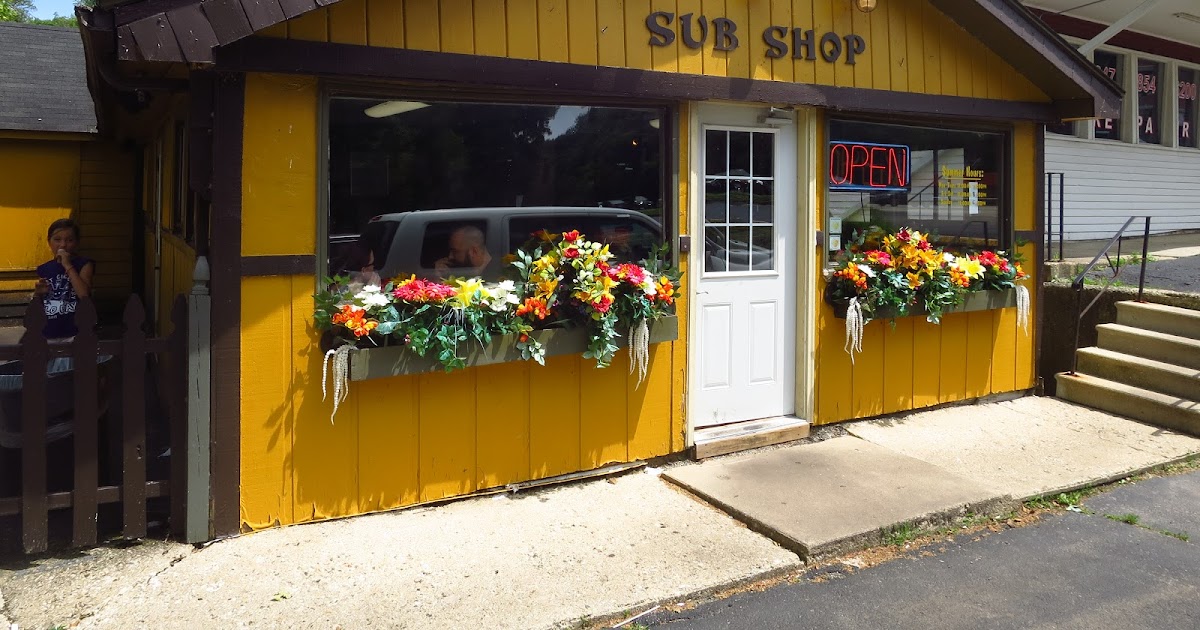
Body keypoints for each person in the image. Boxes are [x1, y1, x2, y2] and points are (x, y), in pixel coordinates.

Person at [34, 218, 94, 340]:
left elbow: (84, 294)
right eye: (57, 240)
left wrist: (67, 265)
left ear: (77, 243)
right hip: (50, 329)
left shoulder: (84, 264)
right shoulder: (44, 269)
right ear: (49, 242)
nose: (63, 245)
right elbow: (39, 303)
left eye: (69, 240)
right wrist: (37, 293)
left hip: (76, 329)